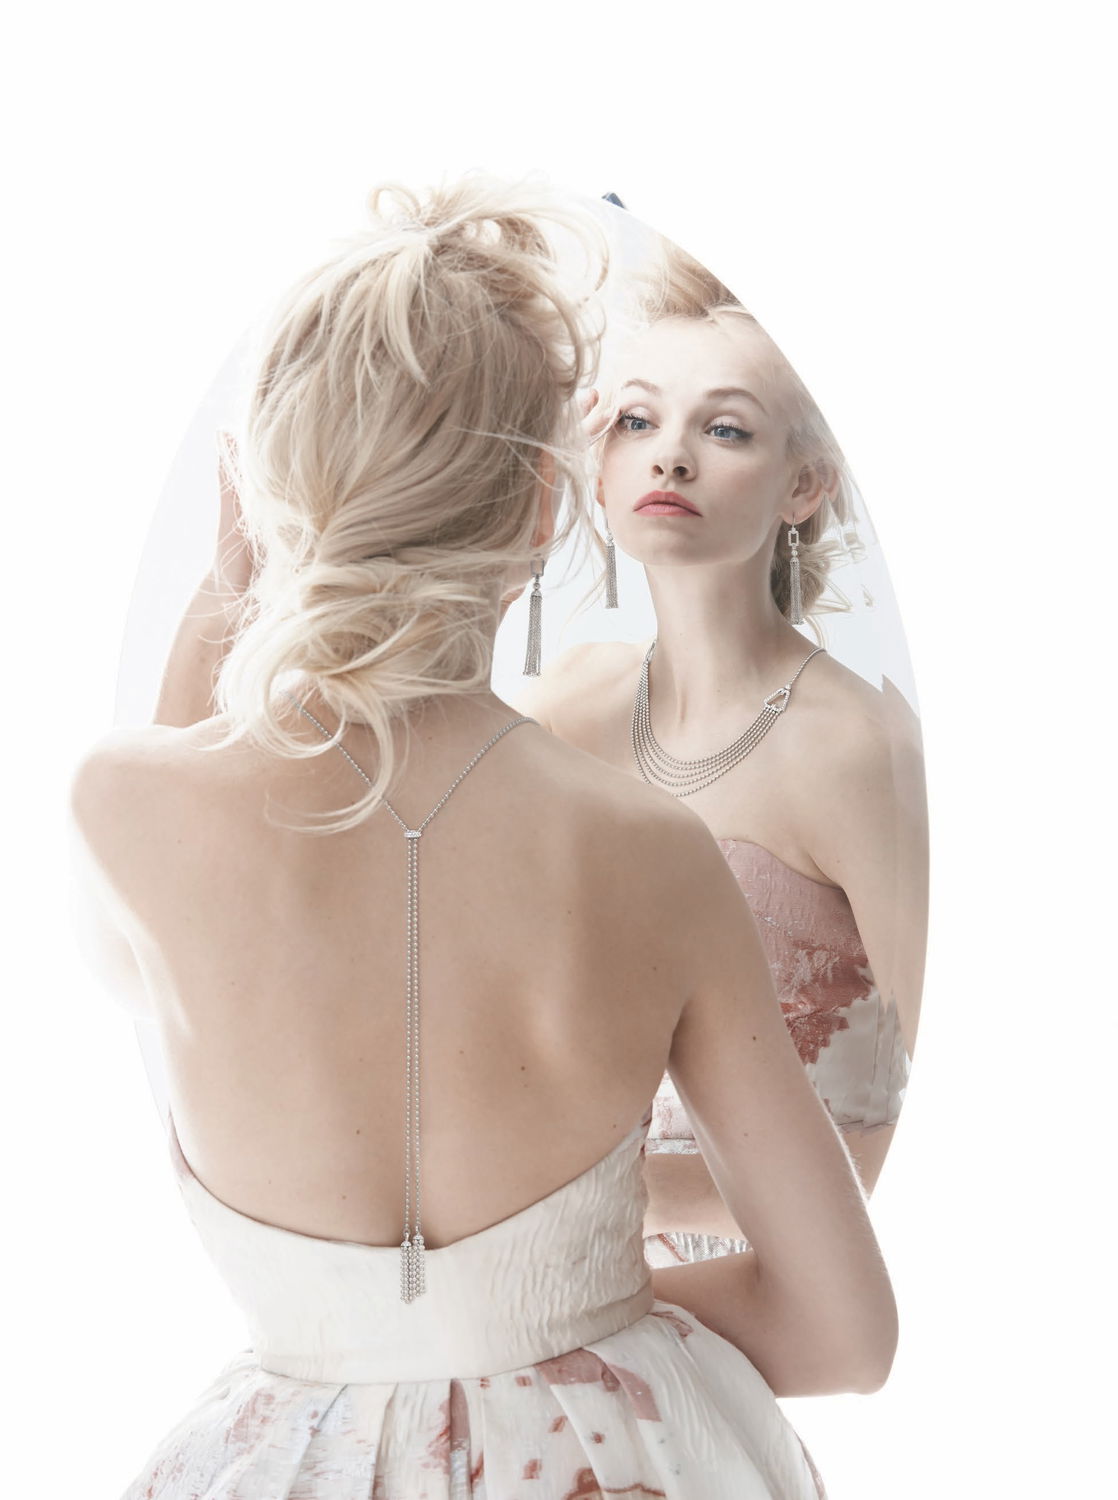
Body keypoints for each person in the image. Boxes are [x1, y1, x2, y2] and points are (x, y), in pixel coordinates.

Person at [69, 172, 896, 1499]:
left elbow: (194, 776)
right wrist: (562, 1313)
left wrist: (245, 560)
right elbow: (840, 1338)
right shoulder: (648, 849)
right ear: (541, 513)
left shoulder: (121, 809)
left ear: (266, 489)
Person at [516, 242, 928, 1269]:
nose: (669, 457)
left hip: (789, 1288)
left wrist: (635, 1196)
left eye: (726, 428)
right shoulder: (569, 704)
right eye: (635, 421)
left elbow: (957, 1106)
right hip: (578, 1271)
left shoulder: (856, 748)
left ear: (804, 485)